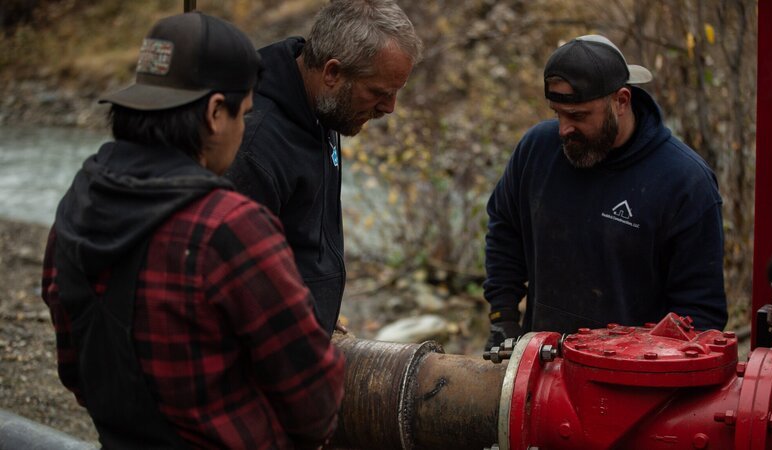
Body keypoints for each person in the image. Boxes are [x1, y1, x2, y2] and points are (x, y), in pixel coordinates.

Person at [41, 12, 344, 449]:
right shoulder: (229, 227)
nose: (243, 131)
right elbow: (314, 397)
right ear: (215, 112)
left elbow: (74, 368)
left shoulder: (77, 201)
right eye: (243, 115)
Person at [483, 35, 728, 349]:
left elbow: (700, 312)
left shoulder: (685, 182)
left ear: (621, 101)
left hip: (633, 378)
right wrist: (503, 316)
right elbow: (505, 229)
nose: (563, 130)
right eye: (558, 113)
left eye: (578, 116)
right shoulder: (536, 150)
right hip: (543, 362)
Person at [225, 0, 423, 335]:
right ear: (332, 72)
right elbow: (234, 281)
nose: (389, 108)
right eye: (378, 92)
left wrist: (318, 313)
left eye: (394, 93)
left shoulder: (323, 106)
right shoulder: (252, 142)